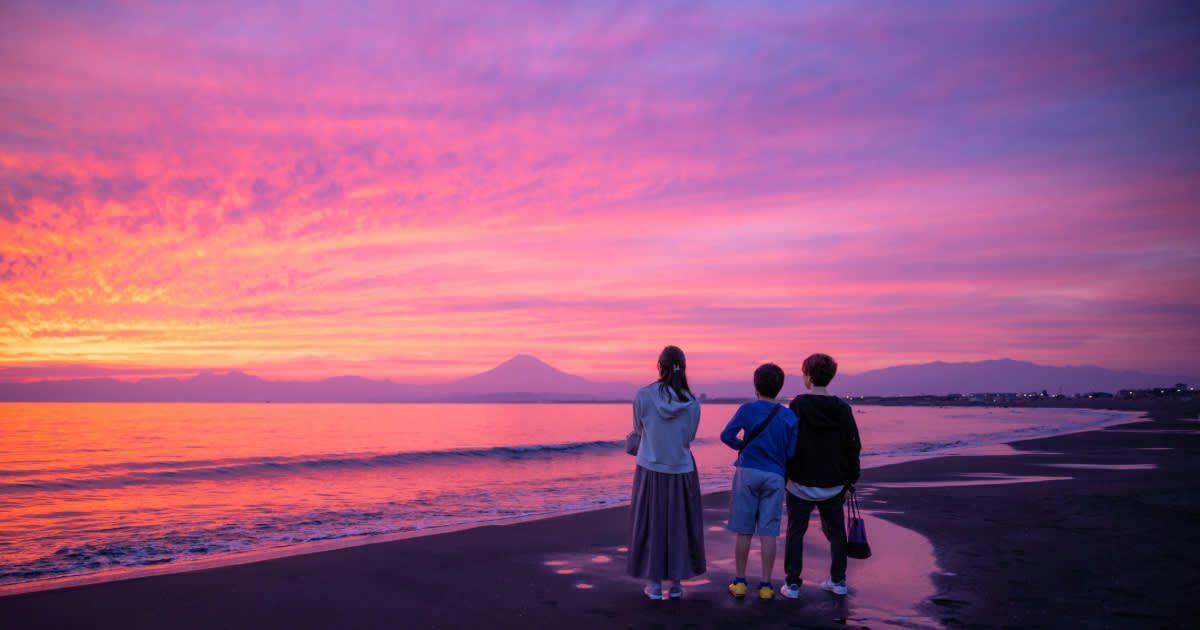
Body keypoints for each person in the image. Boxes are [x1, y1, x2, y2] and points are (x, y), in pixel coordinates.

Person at [626, 345, 706, 600]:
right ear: (683, 368)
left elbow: (638, 429)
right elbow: (689, 437)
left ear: (659, 366)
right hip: (681, 469)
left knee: (652, 525)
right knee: (679, 525)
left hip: (650, 468)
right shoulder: (692, 402)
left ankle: (654, 584)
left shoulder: (643, 396)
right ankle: (677, 584)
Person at [780, 353, 862, 599]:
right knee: (837, 532)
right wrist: (850, 480)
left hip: (800, 482)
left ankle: (793, 584)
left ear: (807, 376)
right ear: (831, 377)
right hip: (833, 482)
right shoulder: (842, 408)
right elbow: (853, 446)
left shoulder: (797, 405)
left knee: (796, 531)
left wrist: (784, 472)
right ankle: (838, 581)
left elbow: (788, 441)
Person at [719, 363, 798, 600]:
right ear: (779, 386)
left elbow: (726, 436)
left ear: (756, 385)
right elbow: (792, 452)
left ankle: (740, 582)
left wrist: (742, 446)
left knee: (744, 531)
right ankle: (766, 586)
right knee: (769, 532)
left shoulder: (747, 409)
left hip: (748, 472)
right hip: (775, 475)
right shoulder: (789, 416)